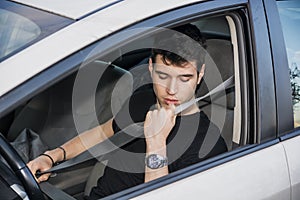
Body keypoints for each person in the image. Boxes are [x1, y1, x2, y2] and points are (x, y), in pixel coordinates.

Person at [27, 24, 228, 199]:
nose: (172, 90)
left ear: (200, 74)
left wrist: (157, 142)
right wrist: (52, 156)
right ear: (150, 67)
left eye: (184, 78)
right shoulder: (143, 99)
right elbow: (101, 132)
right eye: (162, 75)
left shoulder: (208, 147)